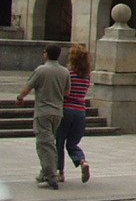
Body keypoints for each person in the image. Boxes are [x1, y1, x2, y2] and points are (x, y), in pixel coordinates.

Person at [16, 44, 70, 190]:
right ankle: (44, 172)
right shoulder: (65, 71)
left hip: (43, 112)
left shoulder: (41, 70)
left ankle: (51, 177)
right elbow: (67, 93)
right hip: (57, 112)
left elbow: (28, 87)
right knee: (49, 142)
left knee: (44, 145)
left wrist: (20, 97)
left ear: (46, 54)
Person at [56, 43, 92, 183]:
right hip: (81, 111)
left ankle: (60, 172)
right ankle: (82, 161)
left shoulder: (68, 73)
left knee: (59, 142)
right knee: (72, 144)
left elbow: (65, 92)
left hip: (67, 109)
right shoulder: (87, 76)